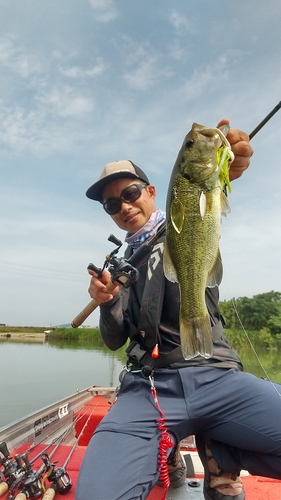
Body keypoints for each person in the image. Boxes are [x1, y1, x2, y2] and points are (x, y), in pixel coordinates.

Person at [75, 120, 281, 500]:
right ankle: (213, 447)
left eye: (131, 192)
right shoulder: (121, 266)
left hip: (217, 375)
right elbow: (114, 339)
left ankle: (227, 446)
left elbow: (211, 191)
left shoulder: (177, 222)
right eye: (111, 204)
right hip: (149, 387)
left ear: (152, 191)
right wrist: (107, 303)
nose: (123, 205)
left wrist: (226, 164)